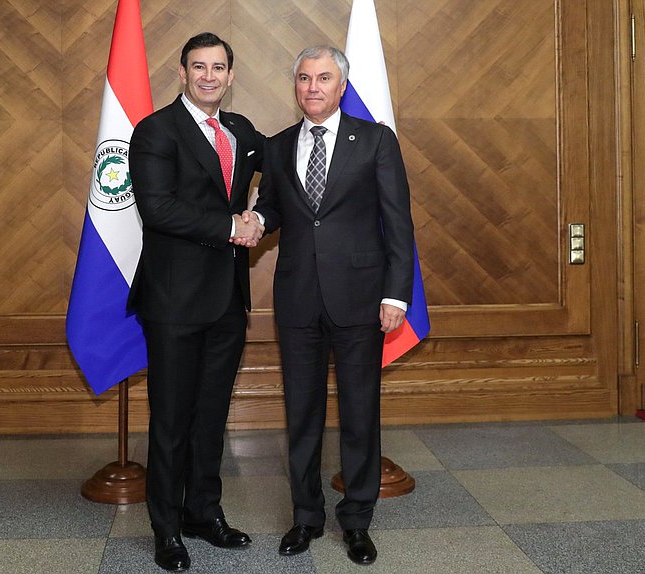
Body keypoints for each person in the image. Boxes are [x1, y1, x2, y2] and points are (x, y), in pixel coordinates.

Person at [247, 45, 414, 566]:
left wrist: (396, 293)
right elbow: (272, 207)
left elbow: (398, 222)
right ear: (294, 86)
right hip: (297, 298)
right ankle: (306, 517)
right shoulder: (277, 147)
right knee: (302, 414)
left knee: (361, 412)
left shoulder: (375, 141)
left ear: (342, 86)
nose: (313, 87)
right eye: (304, 78)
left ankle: (357, 521)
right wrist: (254, 222)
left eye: (323, 78)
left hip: (362, 299)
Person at [128, 32, 264, 572]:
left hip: (228, 300)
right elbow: (158, 209)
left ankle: (203, 514)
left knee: (211, 415)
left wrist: (262, 216)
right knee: (171, 418)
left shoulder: (241, 130)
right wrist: (233, 225)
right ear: (181, 74)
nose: (209, 76)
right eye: (198, 67)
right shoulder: (156, 131)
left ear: (231, 76)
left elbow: (275, 170)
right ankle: (166, 528)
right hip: (174, 301)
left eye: (219, 67)